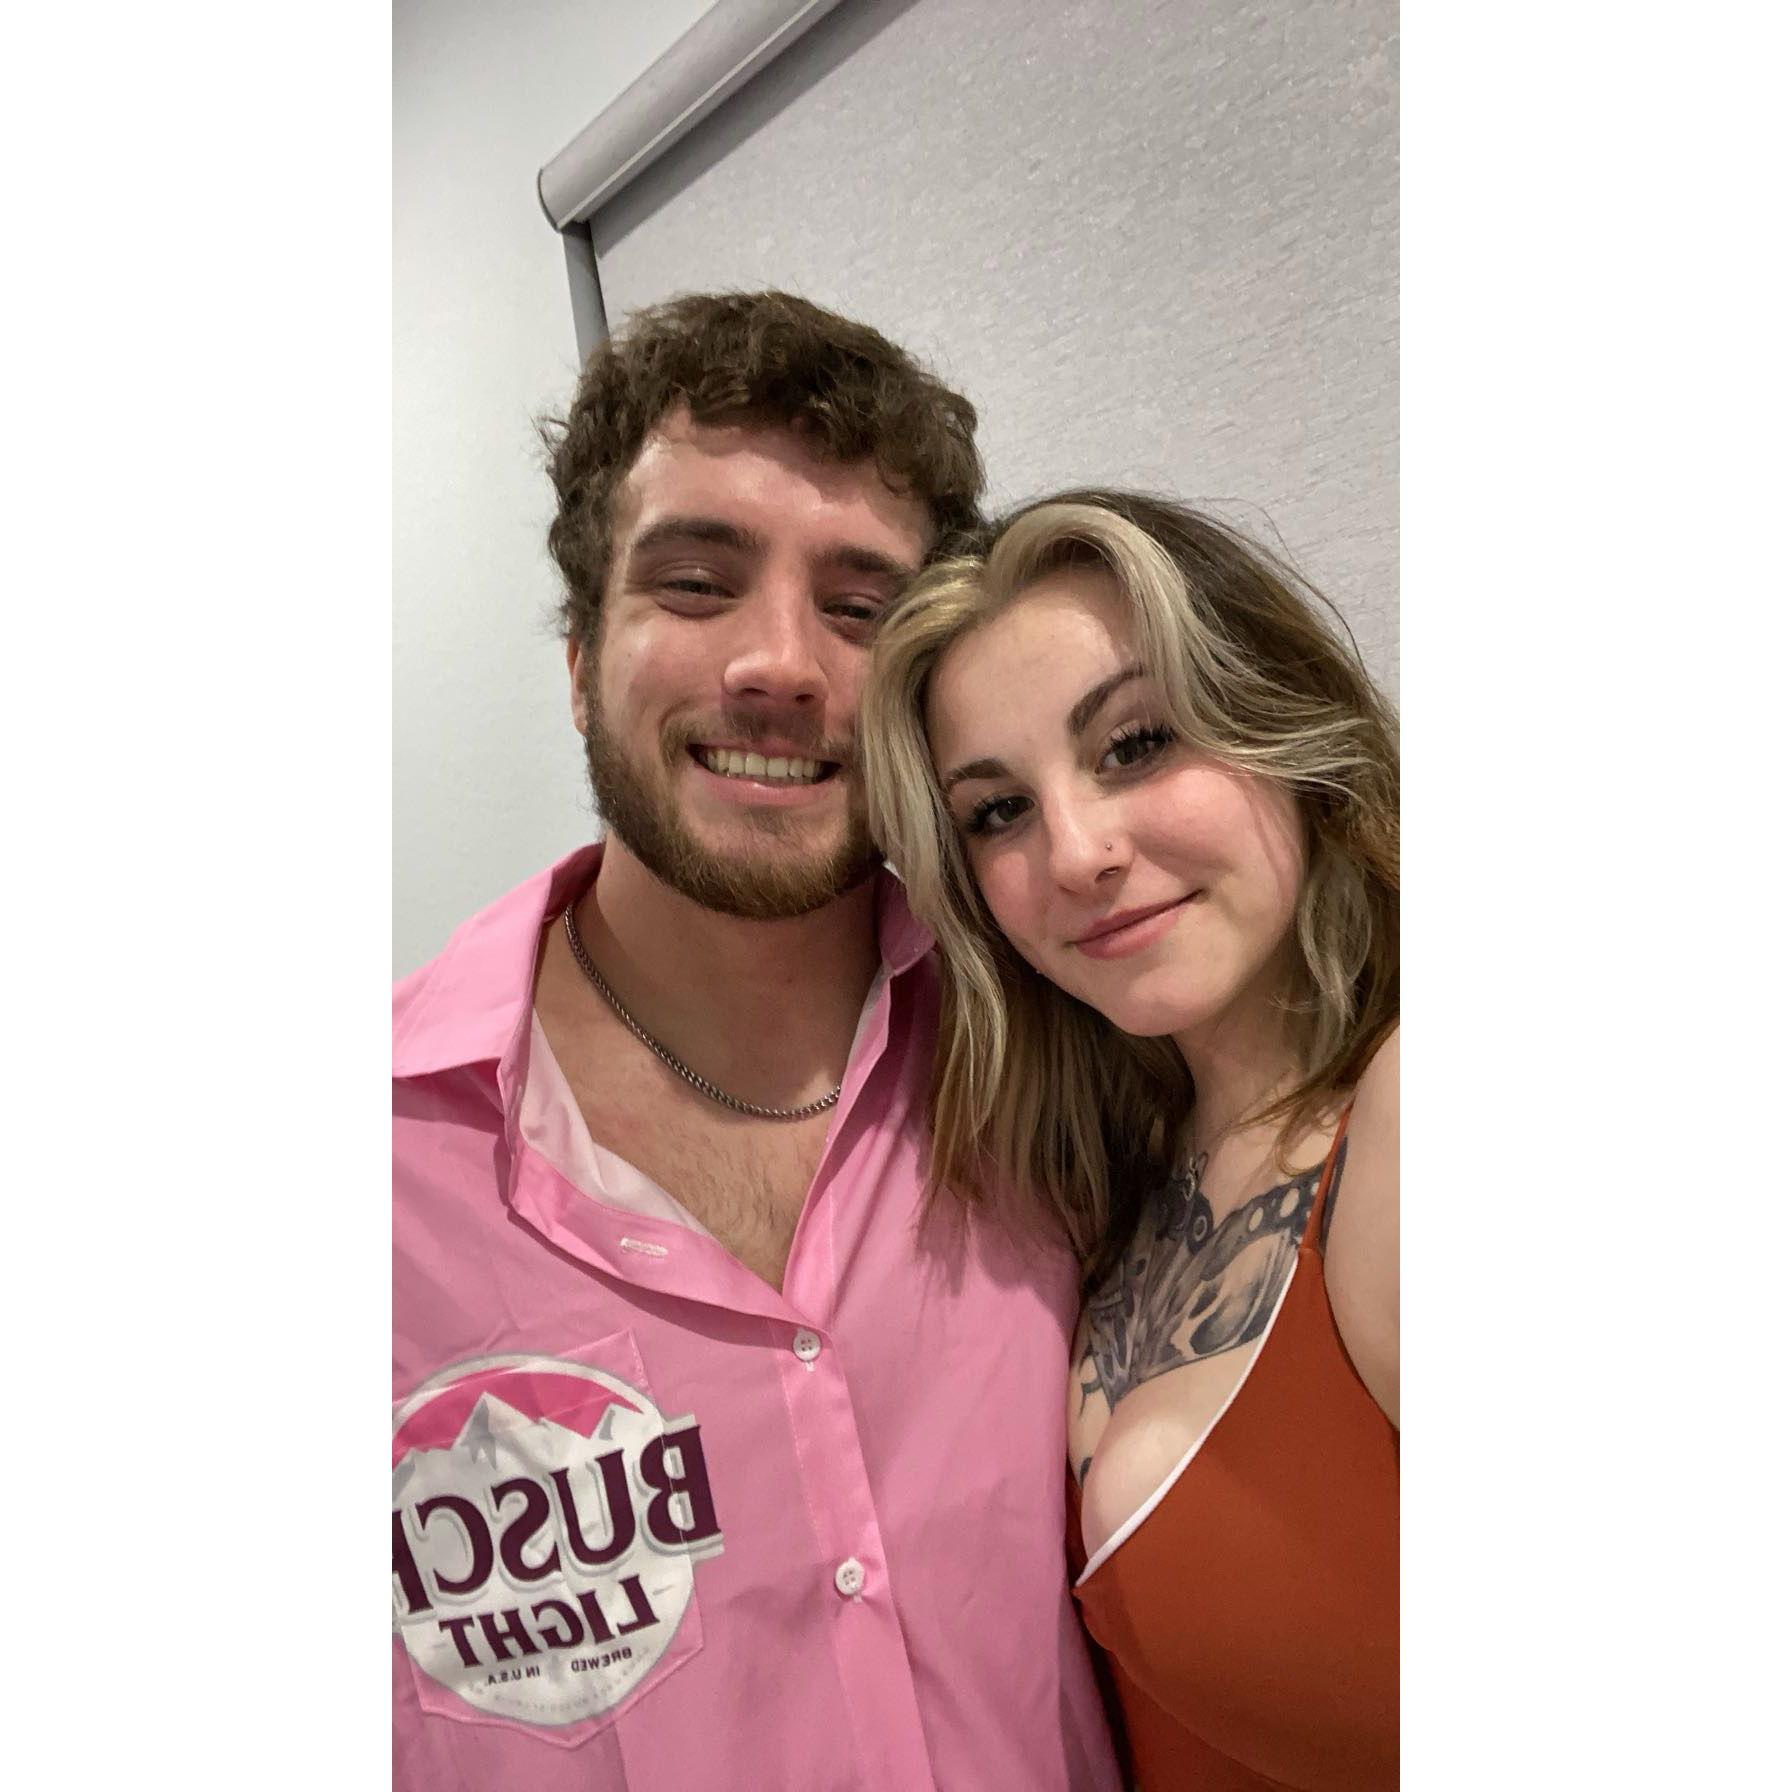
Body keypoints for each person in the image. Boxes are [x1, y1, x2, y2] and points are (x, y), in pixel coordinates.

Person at [391, 293, 1122, 1791]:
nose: (780, 663)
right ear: (581, 660)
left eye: (858, 609)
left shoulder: (1064, 1041)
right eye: (697, 583)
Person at [861, 489, 1400, 1790]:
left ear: (1281, 723)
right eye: (998, 812)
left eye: (1136, 743)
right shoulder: (1112, 1190)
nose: (1076, 853)